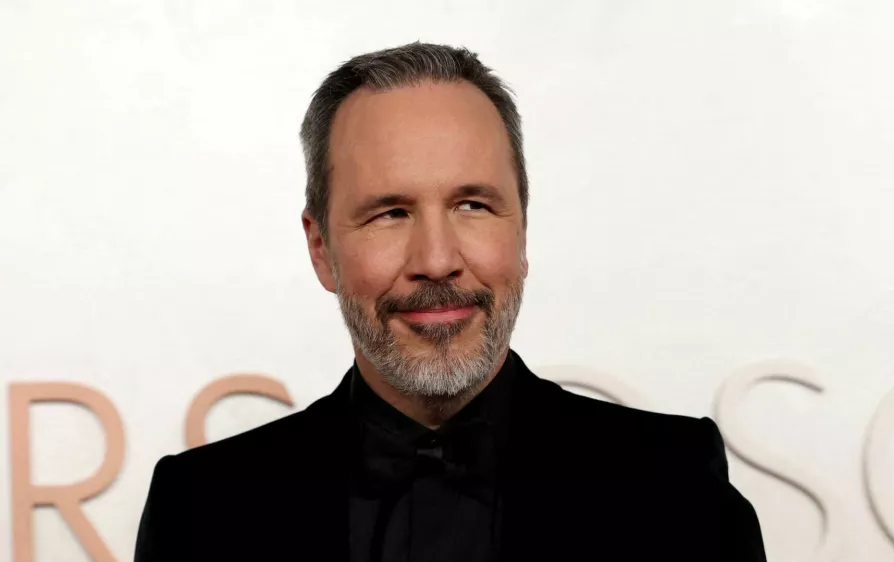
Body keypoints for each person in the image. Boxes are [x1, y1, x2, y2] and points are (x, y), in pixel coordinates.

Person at [135, 42, 766, 562]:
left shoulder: (672, 487)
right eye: (390, 213)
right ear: (321, 247)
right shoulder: (200, 509)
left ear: (521, 231)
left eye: (473, 205)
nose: (436, 259)